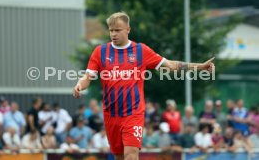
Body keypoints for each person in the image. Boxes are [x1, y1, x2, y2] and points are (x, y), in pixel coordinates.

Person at [73, 12, 215, 160]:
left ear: (128, 29)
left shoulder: (141, 51)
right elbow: (87, 76)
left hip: (133, 113)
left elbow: (171, 65)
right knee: (119, 157)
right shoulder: (100, 51)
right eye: (111, 30)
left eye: (118, 30)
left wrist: (201, 67)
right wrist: (79, 85)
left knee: (131, 155)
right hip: (111, 115)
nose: (113, 34)